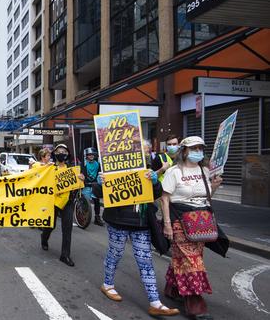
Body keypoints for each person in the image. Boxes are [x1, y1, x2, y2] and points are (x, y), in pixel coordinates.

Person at [96, 170, 180, 317]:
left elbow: (156, 194)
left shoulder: (145, 169)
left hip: (141, 223)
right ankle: (107, 284)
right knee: (115, 254)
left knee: (145, 261)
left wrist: (154, 183)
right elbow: (98, 193)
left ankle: (155, 303)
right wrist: (99, 183)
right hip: (118, 222)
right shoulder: (110, 167)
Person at [161, 136, 223, 320]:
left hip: (200, 223)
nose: (198, 151)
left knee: (186, 259)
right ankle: (196, 305)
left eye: (200, 148)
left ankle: (172, 290)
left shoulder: (205, 170)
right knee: (192, 261)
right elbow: (165, 199)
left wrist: (214, 186)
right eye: (194, 148)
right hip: (180, 221)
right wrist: (167, 224)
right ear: (185, 151)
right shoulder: (174, 172)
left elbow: (205, 196)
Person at [40, 144, 83, 267]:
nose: (61, 153)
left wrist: (81, 178)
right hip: (52, 201)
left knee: (67, 228)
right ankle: (44, 237)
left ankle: (65, 255)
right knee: (50, 225)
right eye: (59, 151)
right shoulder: (50, 168)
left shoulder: (72, 168)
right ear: (55, 153)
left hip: (67, 202)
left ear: (67, 154)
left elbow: (78, 183)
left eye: (64, 151)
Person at [80, 147, 103, 226]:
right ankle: (84, 215)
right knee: (85, 202)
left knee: (97, 201)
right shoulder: (83, 164)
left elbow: (100, 174)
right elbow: (81, 173)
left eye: (93, 155)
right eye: (89, 155)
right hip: (86, 185)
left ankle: (97, 217)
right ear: (86, 156)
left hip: (95, 185)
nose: (91, 156)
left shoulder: (98, 164)